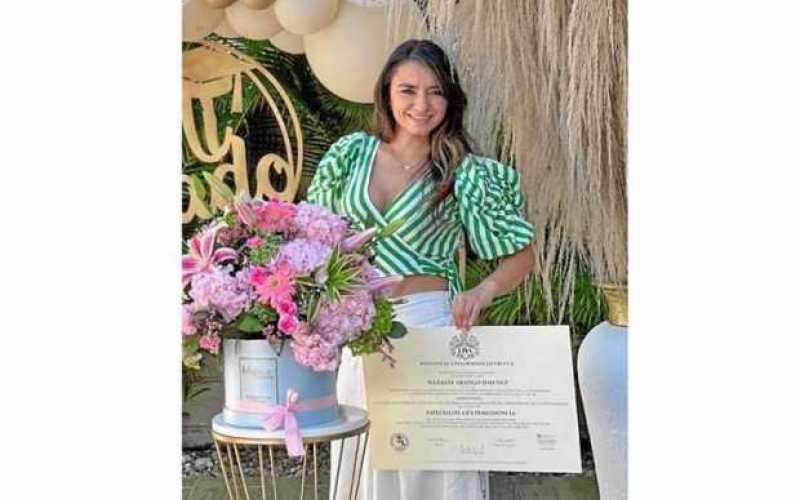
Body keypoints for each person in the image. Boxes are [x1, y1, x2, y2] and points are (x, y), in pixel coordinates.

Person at [307, 39, 535, 500]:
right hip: (362, 332)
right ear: (387, 91)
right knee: (366, 463)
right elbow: (312, 239)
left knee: (435, 469)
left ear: (450, 99)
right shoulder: (350, 155)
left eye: (435, 92)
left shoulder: (463, 171)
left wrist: (481, 292)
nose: (421, 104)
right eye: (408, 89)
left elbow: (521, 255)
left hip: (433, 331)